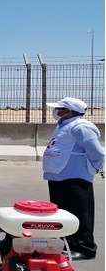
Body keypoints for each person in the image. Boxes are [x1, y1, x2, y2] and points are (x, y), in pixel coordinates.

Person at [43, 97, 104, 260]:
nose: (56, 111)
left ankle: (85, 248)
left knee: (80, 213)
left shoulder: (81, 127)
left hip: (76, 176)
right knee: (63, 212)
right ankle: (68, 244)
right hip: (58, 176)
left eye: (60, 109)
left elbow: (96, 151)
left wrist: (98, 165)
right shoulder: (64, 125)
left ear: (69, 111)